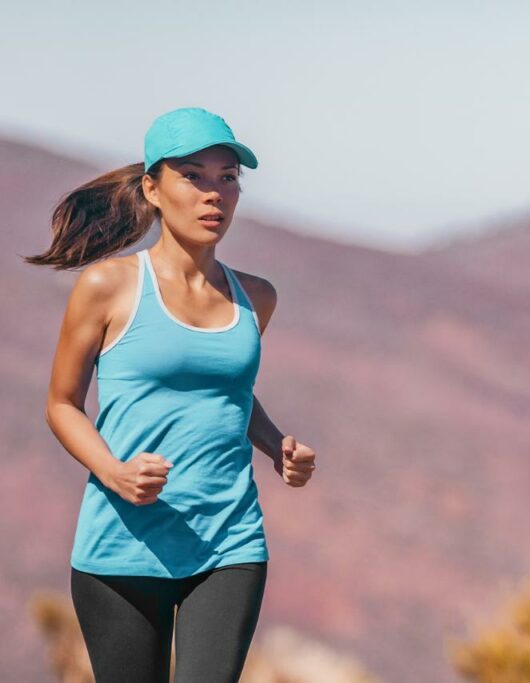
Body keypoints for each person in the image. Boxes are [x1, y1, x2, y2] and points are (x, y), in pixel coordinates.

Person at [27, 107, 318, 682]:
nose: (215, 194)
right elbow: (62, 404)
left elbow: (228, 392)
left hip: (229, 543)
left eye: (228, 178)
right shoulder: (108, 286)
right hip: (121, 548)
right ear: (152, 190)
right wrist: (114, 472)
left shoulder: (254, 298)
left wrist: (274, 442)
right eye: (194, 175)